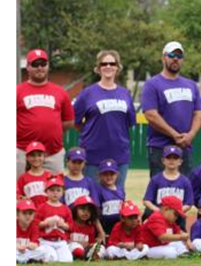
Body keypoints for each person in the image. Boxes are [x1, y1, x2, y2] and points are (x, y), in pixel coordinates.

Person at [74, 50, 135, 193]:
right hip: (93, 155)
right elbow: (75, 121)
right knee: (92, 198)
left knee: (116, 197)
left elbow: (130, 122)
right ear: (98, 68)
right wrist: (90, 133)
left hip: (119, 154)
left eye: (112, 63)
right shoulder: (87, 93)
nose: (108, 66)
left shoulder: (124, 93)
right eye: (104, 63)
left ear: (117, 67)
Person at [141, 42, 201, 176]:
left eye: (179, 56)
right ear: (164, 57)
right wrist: (174, 134)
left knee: (185, 189)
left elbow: (198, 114)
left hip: (184, 146)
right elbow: (151, 115)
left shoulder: (191, 85)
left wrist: (190, 135)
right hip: (160, 147)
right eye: (172, 55)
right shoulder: (152, 84)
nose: (176, 58)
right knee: (161, 190)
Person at [16, 49, 74, 179]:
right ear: (28, 67)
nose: (40, 67)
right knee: (19, 194)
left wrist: (52, 131)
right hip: (22, 152)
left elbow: (68, 121)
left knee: (54, 193)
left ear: (48, 66)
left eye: (43, 64)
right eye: (35, 64)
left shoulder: (60, 92)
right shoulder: (18, 91)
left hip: (52, 154)